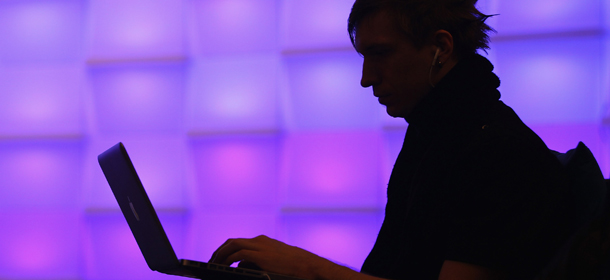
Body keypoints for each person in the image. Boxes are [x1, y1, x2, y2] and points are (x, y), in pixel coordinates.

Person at [209, 0, 575, 279]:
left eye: (380, 53)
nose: (367, 78)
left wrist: (309, 268)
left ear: (441, 49)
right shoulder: (441, 132)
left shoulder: (497, 150)